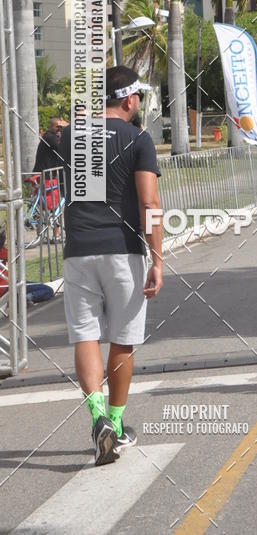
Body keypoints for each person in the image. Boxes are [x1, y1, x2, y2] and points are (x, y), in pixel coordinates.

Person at [58, 66, 163, 467]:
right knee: (122, 338)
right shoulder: (138, 138)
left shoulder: (72, 135)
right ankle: (116, 426)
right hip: (122, 249)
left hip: (78, 249)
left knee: (85, 335)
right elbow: (149, 203)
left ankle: (97, 415)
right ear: (130, 100)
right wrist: (157, 259)